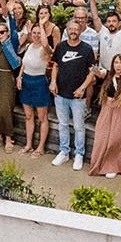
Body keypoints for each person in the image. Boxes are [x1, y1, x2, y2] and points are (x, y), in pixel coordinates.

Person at [49, 20, 96, 171]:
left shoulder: (87, 49)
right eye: (71, 29)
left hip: (78, 96)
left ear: (80, 30)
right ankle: (64, 152)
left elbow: (92, 72)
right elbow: (55, 66)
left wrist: (83, 88)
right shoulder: (61, 46)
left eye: (76, 29)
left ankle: (79, 154)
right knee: (62, 124)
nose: (73, 31)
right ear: (67, 30)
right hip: (60, 94)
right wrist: (53, 82)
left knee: (78, 126)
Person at [87, 54, 121, 178]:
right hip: (107, 107)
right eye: (116, 62)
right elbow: (99, 72)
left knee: (116, 138)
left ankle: (114, 166)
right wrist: (94, 69)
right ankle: (99, 165)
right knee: (102, 136)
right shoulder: (108, 75)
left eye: (120, 62)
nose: (118, 65)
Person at [17, 26, 52, 158]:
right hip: (27, 81)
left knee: (42, 117)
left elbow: (45, 44)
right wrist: (19, 77)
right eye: (34, 33)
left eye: (39, 33)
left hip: (39, 83)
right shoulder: (29, 46)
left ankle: (40, 147)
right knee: (28, 115)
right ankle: (28, 144)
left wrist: (43, 25)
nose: (36, 35)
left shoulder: (45, 49)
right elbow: (24, 64)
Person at [0, 11, 22, 153]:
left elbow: (15, 63)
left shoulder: (12, 42)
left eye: (2, 32)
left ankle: (9, 138)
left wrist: (10, 14)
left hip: (7, 79)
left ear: (7, 32)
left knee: (5, 108)